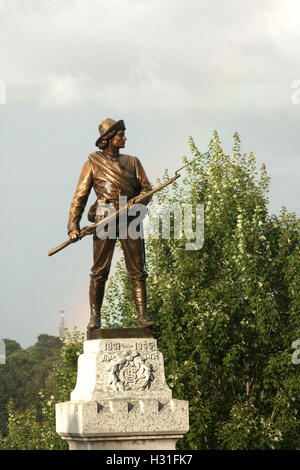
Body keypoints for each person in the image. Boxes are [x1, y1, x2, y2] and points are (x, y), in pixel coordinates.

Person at [68, 118, 154, 331]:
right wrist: (73, 226)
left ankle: (143, 316)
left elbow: (147, 189)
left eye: (123, 134)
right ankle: (95, 318)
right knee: (99, 271)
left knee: (137, 270)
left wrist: (139, 199)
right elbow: (80, 197)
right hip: (104, 215)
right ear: (108, 139)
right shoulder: (92, 164)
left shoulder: (133, 162)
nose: (124, 138)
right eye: (120, 134)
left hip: (130, 215)